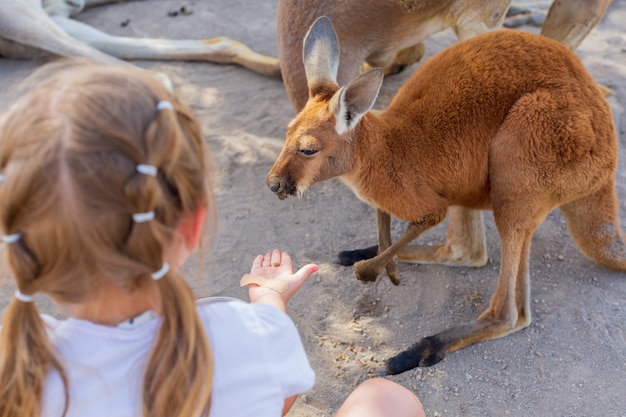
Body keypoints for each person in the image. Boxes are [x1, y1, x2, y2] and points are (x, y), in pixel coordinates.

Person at [0, 62, 425, 417]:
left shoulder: (20, 363)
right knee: (385, 399)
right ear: (192, 225)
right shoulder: (236, 330)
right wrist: (269, 304)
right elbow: (280, 397)